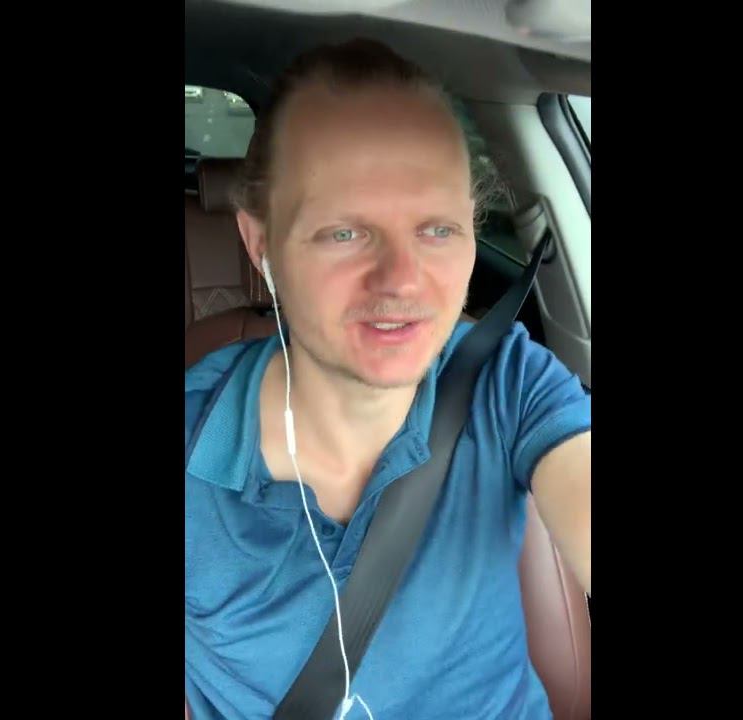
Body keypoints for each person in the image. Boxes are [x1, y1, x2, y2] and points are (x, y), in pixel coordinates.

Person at [185, 38, 591, 719]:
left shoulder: (507, 380)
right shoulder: (194, 436)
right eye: (345, 233)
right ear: (260, 244)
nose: (402, 281)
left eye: (437, 229)